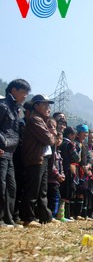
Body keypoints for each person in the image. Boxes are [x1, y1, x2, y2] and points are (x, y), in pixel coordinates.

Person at [20, 94, 58, 227]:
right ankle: (28, 218)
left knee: (42, 190)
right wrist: (52, 134)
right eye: (44, 104)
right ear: (36, 106)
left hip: (42, 158)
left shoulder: (43, 120)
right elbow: (49, 139)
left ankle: (45, 216)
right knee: (33, 190)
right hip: (35, 159)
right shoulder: (35, 119)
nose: (48, 107)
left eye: (48, 105)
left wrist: (51, 134)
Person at [0, 79, 30, 228]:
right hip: (1, 151)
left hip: (10, 152)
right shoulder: (3, 106)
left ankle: (8, 218)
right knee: (1, 185)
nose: (25, 96)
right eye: (23, 92)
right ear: (13, 90)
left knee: (11, 187)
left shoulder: (15, 109)